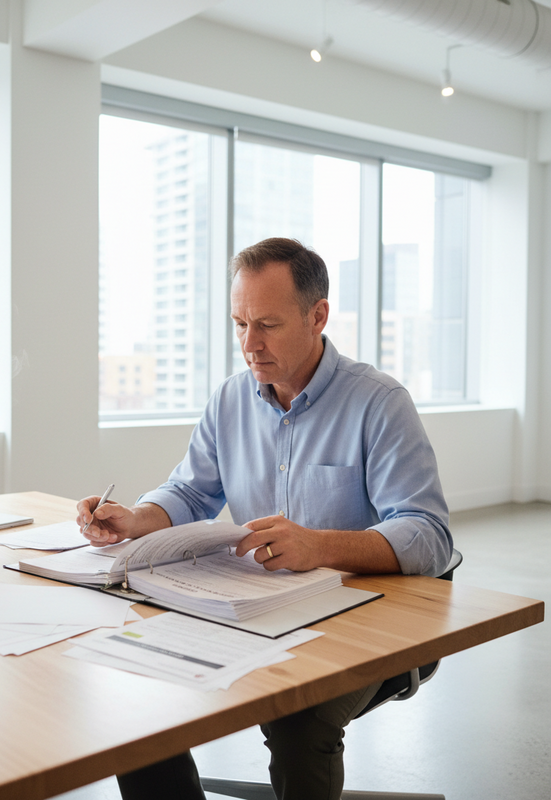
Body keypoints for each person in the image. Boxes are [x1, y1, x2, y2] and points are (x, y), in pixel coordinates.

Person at [76, 237, 453, 800]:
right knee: (139, 690)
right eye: (239, 324)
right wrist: (136, 520)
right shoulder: (230, 400)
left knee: (298, 716)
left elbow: (429, 535)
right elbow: (190, 492)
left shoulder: (379, 402)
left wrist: (320, 546)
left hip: (363, 620)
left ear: (317, 315)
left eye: (268, 325)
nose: (249, 345)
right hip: (255, 611)